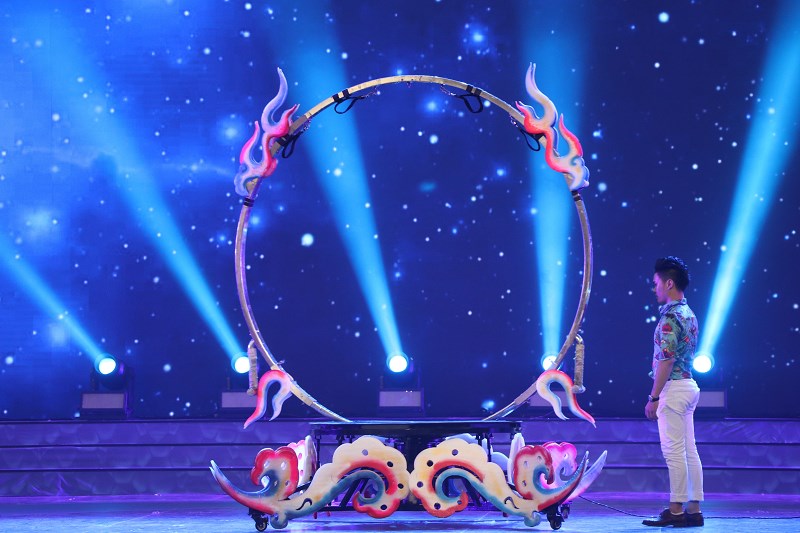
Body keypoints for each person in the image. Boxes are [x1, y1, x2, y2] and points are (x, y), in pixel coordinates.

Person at [642, 256, 705, 528]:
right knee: (689, 450)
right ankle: (694, 509)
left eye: (656, 283)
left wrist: (654, 397)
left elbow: (666, 361)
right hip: (688, 386)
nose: (654, 288)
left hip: (674, 388)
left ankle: (676, 510)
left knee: (674, 452)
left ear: (669, 283)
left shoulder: (670, 317)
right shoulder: (689, 313)